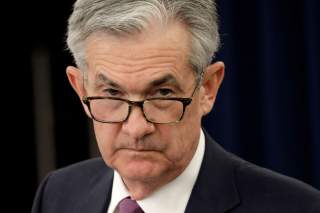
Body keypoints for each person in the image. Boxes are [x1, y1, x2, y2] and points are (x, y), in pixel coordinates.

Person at [31, 0, 320, 212]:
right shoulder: (57, 195)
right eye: (112, 93)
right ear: (81, 89)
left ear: (207, 88)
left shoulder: (297, 207)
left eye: (162, 93)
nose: (136, 128)